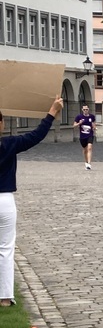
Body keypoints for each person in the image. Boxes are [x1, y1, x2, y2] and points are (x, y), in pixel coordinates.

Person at [0, 97, 63, 307]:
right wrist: (51, 113)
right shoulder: (9, 144)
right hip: (5, 200)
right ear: (1, 124)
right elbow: (36, 136)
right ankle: (5, 297)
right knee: (6, 249)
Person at [73, 105, 95, 170]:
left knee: (90, 147)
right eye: (84, 109)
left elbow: (93, 124)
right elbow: (74, 125)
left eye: (86, 109)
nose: (85, 110)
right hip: (82, 136)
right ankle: (86, 162)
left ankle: (89, 164)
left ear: (88, 109)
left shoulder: (92, 117)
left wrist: (94, 128)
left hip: (90, 135)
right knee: (85, 150)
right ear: (82, 110)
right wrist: (79, 123)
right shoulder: (79, 117)